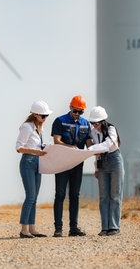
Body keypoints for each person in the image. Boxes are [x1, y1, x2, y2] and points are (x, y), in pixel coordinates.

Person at [51, 95, 93, 237]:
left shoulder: (86, 124)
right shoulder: (60, 121)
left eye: (81, 112)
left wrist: (100, 147)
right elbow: (57, 141)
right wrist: (71, 147)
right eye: (75, 111)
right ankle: (58, 228)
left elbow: (89, 144)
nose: (77, 114)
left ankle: (73, 228)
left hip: (77, 165)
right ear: (70, 107)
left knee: (75, 195)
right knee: (60, 195)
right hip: (62, 163)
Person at [15, 100, 53, 238]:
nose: (45, 118)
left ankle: (32, 228)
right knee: (30, 196)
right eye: (43, 116)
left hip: (38, 162)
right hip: (28, 162)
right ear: (35, 115)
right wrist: (37, 152)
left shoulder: (39, 128)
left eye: (46, 115)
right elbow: (19, 148)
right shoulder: (27, 127)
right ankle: (24, 230)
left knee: (34, 197)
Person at [88, 106, 124, 236]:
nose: (94, 125)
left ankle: (114, 227)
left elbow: (108, 145)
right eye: (92, 123)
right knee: (103, 196)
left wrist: (92, 148)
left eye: (96, 123)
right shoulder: (93, 132)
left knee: (115, 194)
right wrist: (96, 168)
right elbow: (96, 152)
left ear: (103, 121)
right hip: (101, 162)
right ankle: (104, 227)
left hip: (114, 160)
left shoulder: (111, 129)